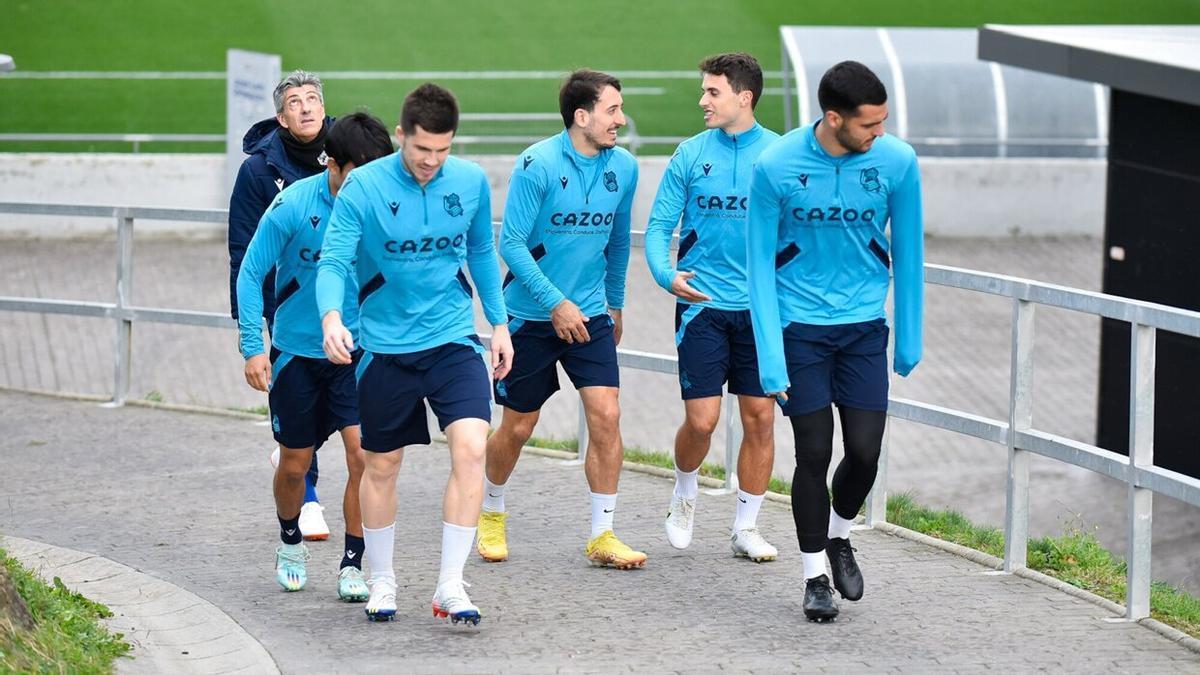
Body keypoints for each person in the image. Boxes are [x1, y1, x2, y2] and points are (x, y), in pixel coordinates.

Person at [316, 84, 513, 625]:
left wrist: (498, 325)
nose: (431, 162)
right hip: (384, 349)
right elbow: (333, 260)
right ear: (401, 135)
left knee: (472, 447)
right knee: (380, 466)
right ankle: (382, 580)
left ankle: (451, 584)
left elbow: (478, 250)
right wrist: (332, 316)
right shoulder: (363, 187)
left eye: (442, 151)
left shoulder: (470, 182)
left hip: (452, 340)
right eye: (422, 149)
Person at [746, 60, 923, 622]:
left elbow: (911, 254)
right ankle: (814, 575)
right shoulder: (775, 165)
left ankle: (840, 535)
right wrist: (770, 359)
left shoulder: (897, 162)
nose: (880, 134)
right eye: (870, 125)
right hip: (800, 331)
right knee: (815, 452)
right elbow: (757, 268)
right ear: (833, 118)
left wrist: (909, 335)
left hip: (864, 328)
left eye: (884, 122)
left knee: (865, 454)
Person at [477, 69, 642, 569]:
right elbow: (511, 244)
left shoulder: (626, 168)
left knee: (607, 416)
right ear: (582, 116)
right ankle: (490, 509)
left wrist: (614, 305)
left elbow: (617, 242)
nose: (620, 119)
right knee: (519, 427)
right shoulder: (537, 164)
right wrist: (554, 302)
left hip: (590, 313)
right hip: (530, 316)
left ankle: (603, 533)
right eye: (612, 110)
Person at [237, 112, 394, 600]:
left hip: (358, 355)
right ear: (333, 163)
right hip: (297, 357)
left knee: (363, 458)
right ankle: (290, 540)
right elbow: (250, 272)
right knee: (294, 464)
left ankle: (352, 562)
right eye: (360, 173)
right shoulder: (291, 204)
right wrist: (251, 347)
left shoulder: (381, 205)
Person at [644, 53, 781, 562]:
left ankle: (746, 526)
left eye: (712, 92)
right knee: (701, 422)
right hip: (701, 306)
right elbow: (659, 228)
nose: (702, 101)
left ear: (743, 98)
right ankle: (684, 491)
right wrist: (665, 275)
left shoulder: (781, 155)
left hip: (762, 313)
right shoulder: (689, 154)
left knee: (760, 419)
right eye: (704, 91)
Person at [229, 69, 334, 540]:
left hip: (347, 308)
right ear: (281, 116)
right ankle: (306, 495)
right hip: (286, 308)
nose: (307, 107)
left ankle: (296, 453)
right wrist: (250, 332)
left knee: (345, 414)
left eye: (313, 98)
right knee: (302, 408)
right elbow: (244, 254)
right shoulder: (258, 172)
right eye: (295, 102)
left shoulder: (348, 158)